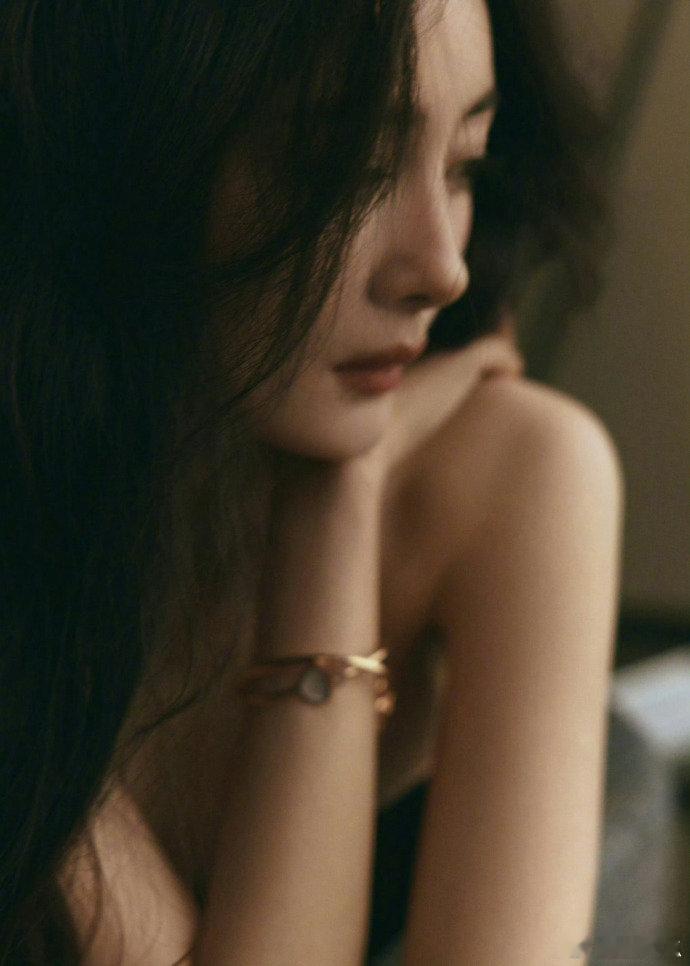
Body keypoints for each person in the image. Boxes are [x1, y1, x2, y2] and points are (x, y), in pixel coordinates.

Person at [0, 0, 623, 962]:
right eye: (349, 171)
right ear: (125, 158)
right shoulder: (34, 531)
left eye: (464, 166)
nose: (443, 269)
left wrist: (340, 492)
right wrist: (338, 506)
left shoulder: (519, 476)